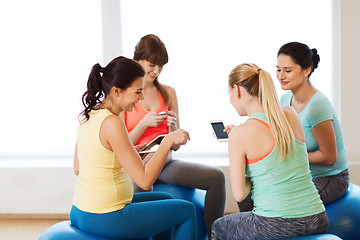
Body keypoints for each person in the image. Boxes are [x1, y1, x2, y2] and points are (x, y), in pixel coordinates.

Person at [70, 56, 197, 240]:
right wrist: (168, 141)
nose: (142, 97)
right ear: (117, 91)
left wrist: (133, 151)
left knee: (167, 200)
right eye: (138, 91)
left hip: (81, 211)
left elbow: (79, 166)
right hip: (107, 216)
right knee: (187, 211)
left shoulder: (89, 115)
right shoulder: (112, 123)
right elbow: (145, 181)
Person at [121, 34, 226, 237]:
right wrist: (143, 124)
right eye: (152, 64)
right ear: (137, 60)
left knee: (216, 177)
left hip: (165, 162)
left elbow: (175, 146)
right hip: (138, 165)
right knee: (143, 181)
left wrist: (173, 128)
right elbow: (122, 144)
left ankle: (215, 235)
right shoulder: (125, 94)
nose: (157, 71)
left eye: (161, 66)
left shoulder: (168, 92)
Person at [211, 63, 328, 239]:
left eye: (229, 94)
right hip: (317, 217)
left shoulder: (240, 134)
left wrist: (239, 143)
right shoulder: (290, 114)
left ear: (237, 90)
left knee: (219, 227)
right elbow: (281, 156)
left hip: (276, 224)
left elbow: (240, 193)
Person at [277, 41, 349, 205]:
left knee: (281, 202)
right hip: (303, 174)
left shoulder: (317, 106)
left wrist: (292, 157)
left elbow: (329, 157)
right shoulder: (285, 100)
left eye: (287, 70)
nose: (281, 76)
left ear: (306, 70)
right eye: (278, 69)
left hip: (331, 178)